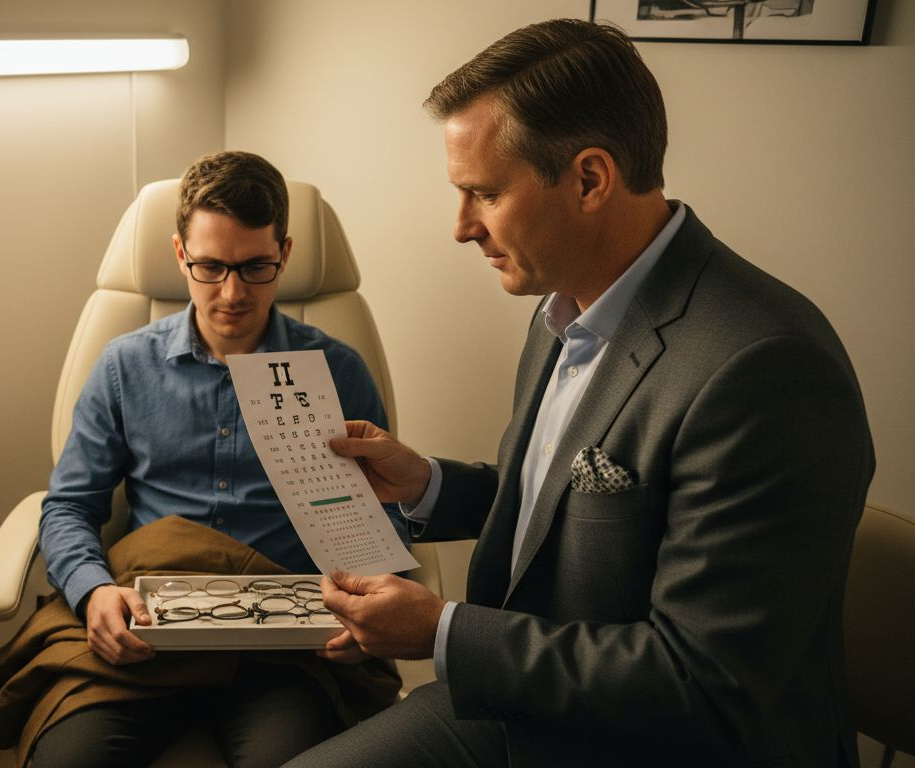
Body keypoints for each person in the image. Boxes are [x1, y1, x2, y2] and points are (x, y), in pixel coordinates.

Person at [287, 18, 874, 768]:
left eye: (484, 194)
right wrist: (429, 484)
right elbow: (572, 508)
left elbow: (704, 681)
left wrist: (440, 632)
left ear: (590, 179)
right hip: (531, 704)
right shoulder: (562, 304)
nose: (461, 227)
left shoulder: (766, 370)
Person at [29, 150, 408, 767]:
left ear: (284, 254)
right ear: (180, 255)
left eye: (256, 266)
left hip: (283, 648)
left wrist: (374, 605)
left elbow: (379, 518)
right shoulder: (125, 368)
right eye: (209, 267)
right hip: (149, 629)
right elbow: (69, 507)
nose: (232, 293)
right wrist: (93, 591)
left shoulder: (338, 372)